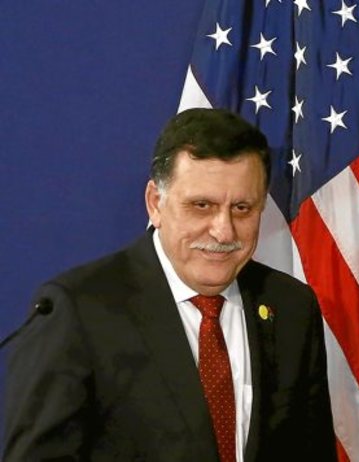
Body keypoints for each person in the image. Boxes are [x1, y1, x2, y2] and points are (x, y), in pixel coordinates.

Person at [3, 108, 337, 461]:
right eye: (201, 205)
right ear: (155, 204)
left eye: (242, 208)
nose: (224, 231)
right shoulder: (79, 311)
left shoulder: (291, 306)